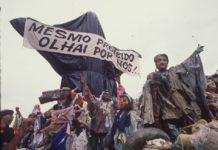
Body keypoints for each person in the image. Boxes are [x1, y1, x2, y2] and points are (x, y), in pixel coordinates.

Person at [139, 45, 211, 141]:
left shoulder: (174, 71)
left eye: (164, 60)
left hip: (181, 105)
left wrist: (195, 54)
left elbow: (185, 65)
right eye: (159, 60)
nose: (162, 62)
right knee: (173, 133)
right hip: (166, 109)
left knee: (190, 128)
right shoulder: (152, 76)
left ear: (167, 62)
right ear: (155, 64)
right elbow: (146, 92)